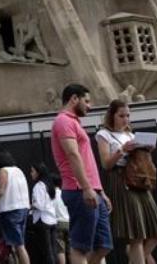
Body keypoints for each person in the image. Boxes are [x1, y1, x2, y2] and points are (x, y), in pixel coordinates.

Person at [94, 100, 157, 264]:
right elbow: (106, 164)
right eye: (121, 116)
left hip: (140, 182)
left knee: (156, 233)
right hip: (121, 179)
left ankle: (133, 259)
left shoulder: (131, 135)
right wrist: (122, 150)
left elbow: (140, 161)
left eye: (127, 115)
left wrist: (146, 150)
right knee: (136, 235)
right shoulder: (104, 134)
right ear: (112, 116)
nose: (125, 119)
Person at [51, 84, 111, 264]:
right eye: (87, 101)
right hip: (79, 190)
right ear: (74, 99)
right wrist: (86, 188)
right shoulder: (63, 121)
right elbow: (72, 154)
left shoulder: (74, 122)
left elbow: (85, 159)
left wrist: (100, 191)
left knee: (104, 245)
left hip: (91, 190)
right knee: (80, 247)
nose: (89, 106)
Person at [0, 152, 30, 264]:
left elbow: (1, 190)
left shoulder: (4, 170)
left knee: (19, 245)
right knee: (19, 243)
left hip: (10, 210)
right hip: (23, 208)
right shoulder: (19, 171)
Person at [28, 163, 58, 264]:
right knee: (53, 250)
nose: (31, 173)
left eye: (32, 171)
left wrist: (30, 206)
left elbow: (39, 205)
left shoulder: (38, 186)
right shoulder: (49, 186)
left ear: (38, 173)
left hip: (43, 220)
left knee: (47, 251)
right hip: (52, 219)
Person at [50, 174, 69, 264]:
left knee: (60, 249)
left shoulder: (52, 196)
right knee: (72, 249)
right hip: (69, 223)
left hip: (58, 223)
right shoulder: (64, 194)